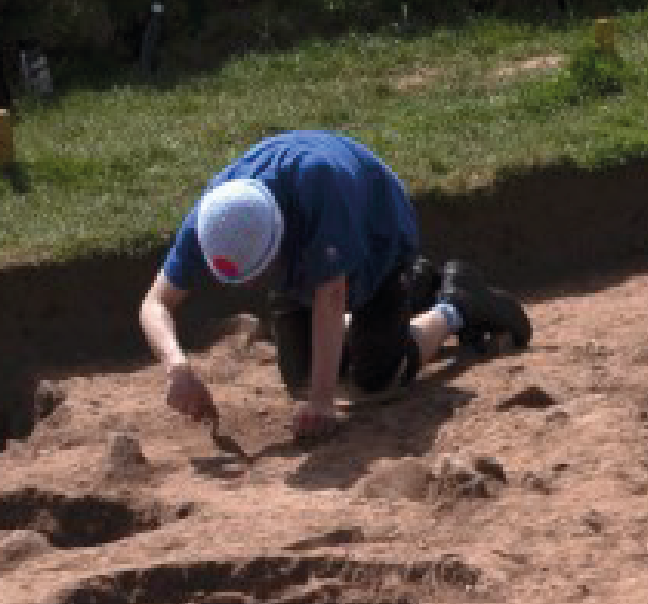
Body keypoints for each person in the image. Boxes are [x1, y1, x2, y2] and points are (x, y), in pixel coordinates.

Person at [137, 128, 522, 445]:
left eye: (259, 271)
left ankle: (458, 303)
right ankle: (417, 288)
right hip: (310, 248)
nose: (252, 285)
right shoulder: (212, 220)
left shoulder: (320, 188)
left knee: (374, 381)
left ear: (279, 236)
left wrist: (323, 403)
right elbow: (154, 304)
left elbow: (331, 295)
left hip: (378, 230)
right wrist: (177, 367)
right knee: (301, 382)